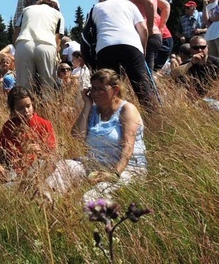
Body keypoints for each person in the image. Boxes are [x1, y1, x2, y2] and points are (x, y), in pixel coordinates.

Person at [46, 69, 147, 201]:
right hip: (95, 164)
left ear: (115, 90)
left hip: (126, 168)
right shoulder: (93, 110)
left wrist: (114, 174)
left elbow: (128, 147)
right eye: (93, 89)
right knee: (64, 168)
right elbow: (77, 136)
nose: (95, 93)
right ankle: (45, 204)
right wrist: (87, 104)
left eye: (101, 89)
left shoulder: (127, 110)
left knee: (91, 198)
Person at [89, 0, 157, 109]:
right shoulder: (129, 5)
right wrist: (143, 50)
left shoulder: (96, 8)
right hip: (131, 45)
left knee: (108, 87)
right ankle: (153, 117)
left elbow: (88, 34)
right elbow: (143, 29)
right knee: (142, 86)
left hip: (105, 46)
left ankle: (110, 115)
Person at [0, 86, 56, 181]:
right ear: (13, 110)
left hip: (37, 172)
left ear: (33, 104)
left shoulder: (44, 124)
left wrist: (40, 152)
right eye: (20, 108)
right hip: (12, 172)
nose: (26, 111)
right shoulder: (9, 126)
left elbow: (53, 157)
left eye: (28, 106)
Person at [123, 0, 170, 70]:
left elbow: (149, 3)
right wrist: (161, 27)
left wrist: (148, 29)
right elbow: (166, 5)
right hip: (156, 35)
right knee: (149, 69)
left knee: (144, 71)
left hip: (146, 35)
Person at [14, 0, 64, 94]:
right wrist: (56, 53)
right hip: (46, 45)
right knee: (48, 86)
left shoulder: (26, 10)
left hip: (24, 44)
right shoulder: (58, 14)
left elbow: (17, 30)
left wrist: (17, 48)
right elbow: (58, 37)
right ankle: (47, 106)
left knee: (23, 87)